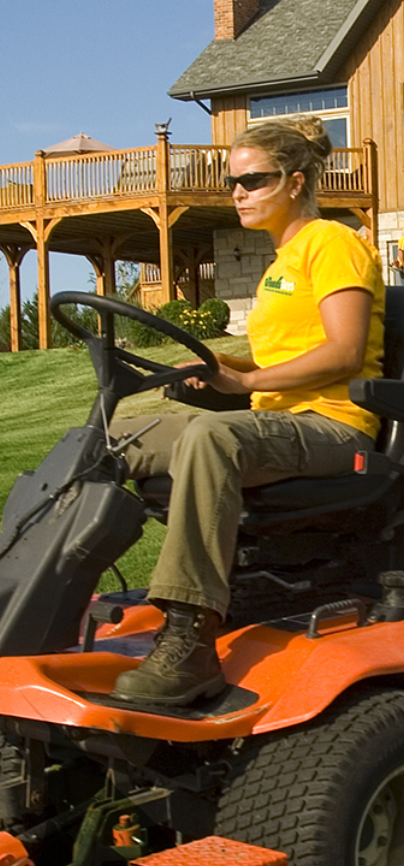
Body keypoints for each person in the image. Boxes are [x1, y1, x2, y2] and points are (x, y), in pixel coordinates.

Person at [111, 115, 385, 707]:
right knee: (113, 435)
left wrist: (248, 381)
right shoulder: (278, 265)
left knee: (211, 437)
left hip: (336, 427)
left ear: (295, 181)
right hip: (278, 423)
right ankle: (16, 595)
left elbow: (344, 351)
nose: (237, 192)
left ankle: (190, 638)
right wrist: (209, 365)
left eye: (253, 179)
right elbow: (276, 356)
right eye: (234, 181)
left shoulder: (332, 243)